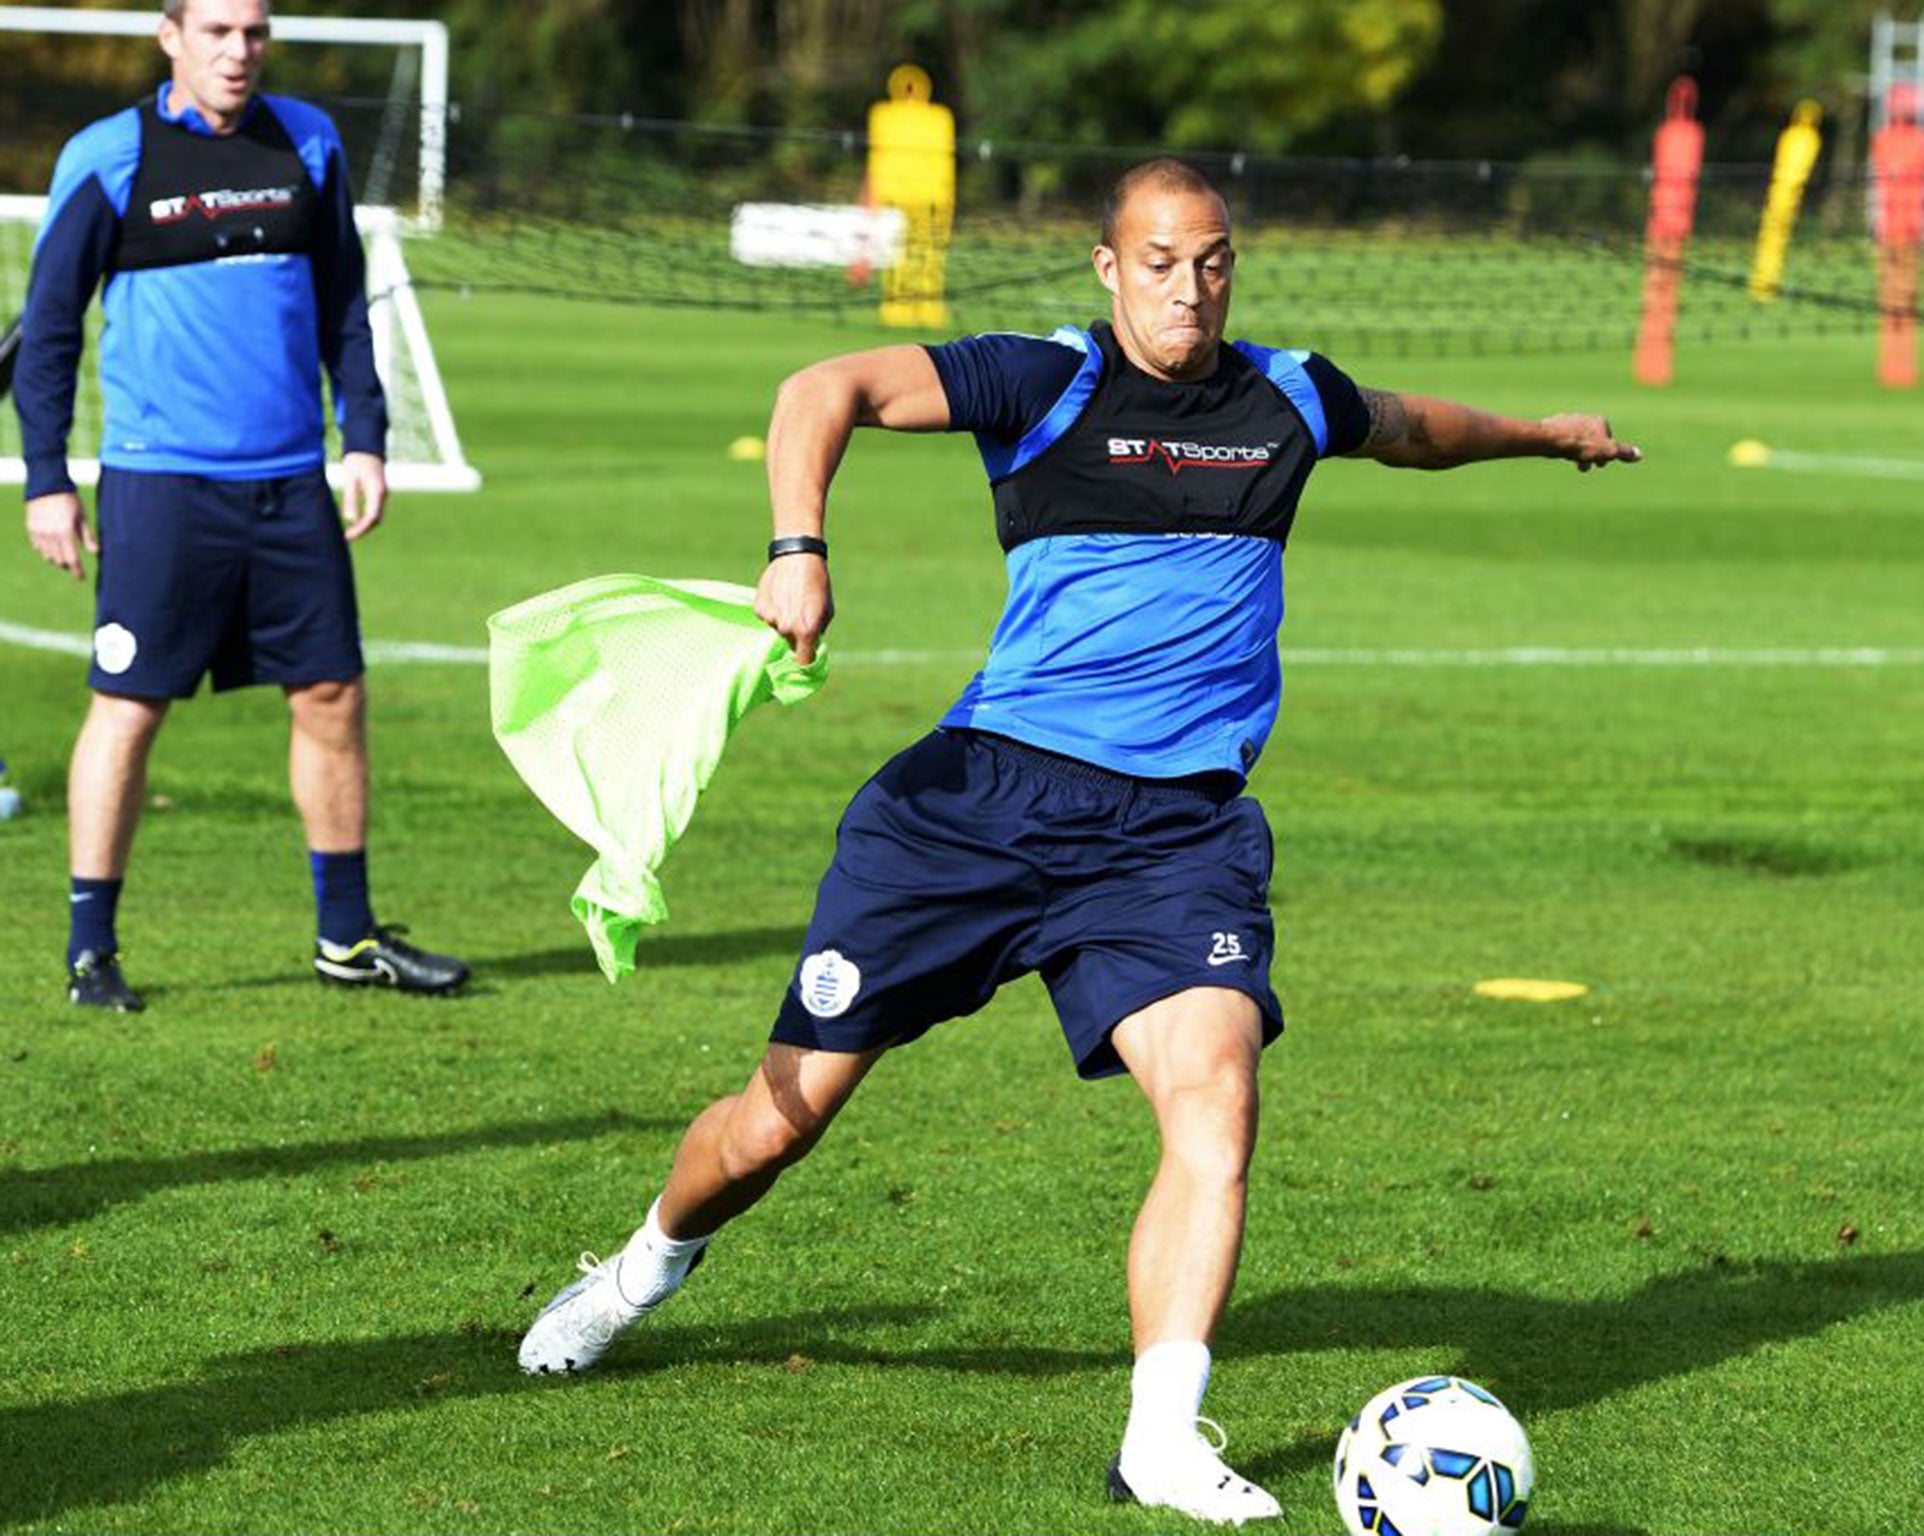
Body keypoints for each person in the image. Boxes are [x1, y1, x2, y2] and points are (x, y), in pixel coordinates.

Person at [517, 157, 1639, 1523]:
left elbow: (1413, 426)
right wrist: (796, 544)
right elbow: (827, 390)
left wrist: (1547, 431)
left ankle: (1161, 1439)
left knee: (1217, 1097)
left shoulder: (1286, 396)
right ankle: (644, 1265)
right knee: (777, 1121)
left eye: (1213, 260)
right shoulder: (1043, 383)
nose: (1190, 287)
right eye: (1160, 262)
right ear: (1108, 268)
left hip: (1175, 839)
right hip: (977, 814)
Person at [15, 0, 468, 1011]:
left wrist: (367, 439)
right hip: (160, 485)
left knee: (332, 697)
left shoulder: (308, 139)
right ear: (170, 35)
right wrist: (48, 477)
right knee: (130, 708)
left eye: (254, 32)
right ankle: (92, 949)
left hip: (288, 484)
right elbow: (47, 331)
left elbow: (345, 302)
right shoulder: (109, 154)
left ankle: (346, 940)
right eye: (217, 30)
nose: (239, 51)